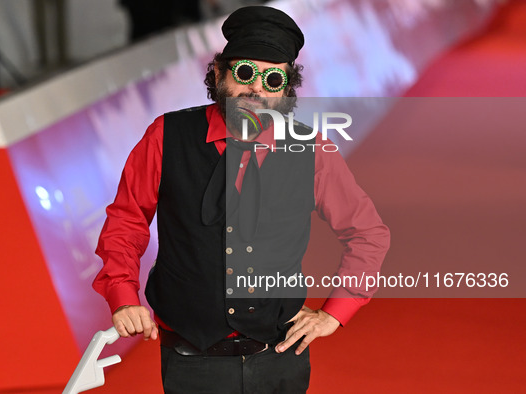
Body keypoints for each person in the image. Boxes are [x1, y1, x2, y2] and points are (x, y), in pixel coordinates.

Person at [93, 6, 390, 393]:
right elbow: (126, 221)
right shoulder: (166, 136)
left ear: (286, 89)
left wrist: (336, 312)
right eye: (245, 73)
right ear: (218, 74)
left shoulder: (312, 149)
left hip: (279, 360)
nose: (256, 90)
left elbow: (368, 233)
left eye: (273, 79)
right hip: (190, 361)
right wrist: (122, 295)